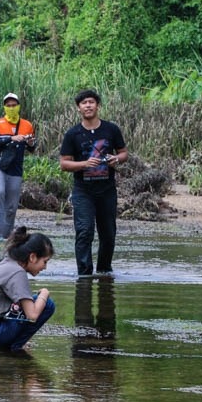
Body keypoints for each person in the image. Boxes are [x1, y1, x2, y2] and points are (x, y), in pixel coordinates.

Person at [59, 89, 128, 275]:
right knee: (84, 231)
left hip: (107, 189)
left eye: (91, 102)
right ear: (78, 108)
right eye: (84, 103)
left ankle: (105, 272)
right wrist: (84, 164)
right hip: (83, 190)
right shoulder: (73, 134)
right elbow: (64, 163)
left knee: (108, 234)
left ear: (98, 105)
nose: (88, 105)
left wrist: (117, 159)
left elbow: (124, 152)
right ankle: (84, 274)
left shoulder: (111, 129)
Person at [0, 226, 56, 352]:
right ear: (32, 257)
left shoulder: (7, 263)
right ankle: (16, 346)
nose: (45, 267)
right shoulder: (17, 272)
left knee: (29, 303)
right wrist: (45, 293)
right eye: (45, 262)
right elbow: (33, 315)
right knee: (47, 304)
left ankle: (14, 344)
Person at [0, 92, 36, 241]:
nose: (11, 108)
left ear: (19, 106)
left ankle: (7, 236)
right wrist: (11, 138)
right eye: (8, 105)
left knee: (12, 206)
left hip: (16, 168)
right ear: (4, 107)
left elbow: (32, 148)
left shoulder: (27, 125)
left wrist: (31, 142)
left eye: (14, 105)